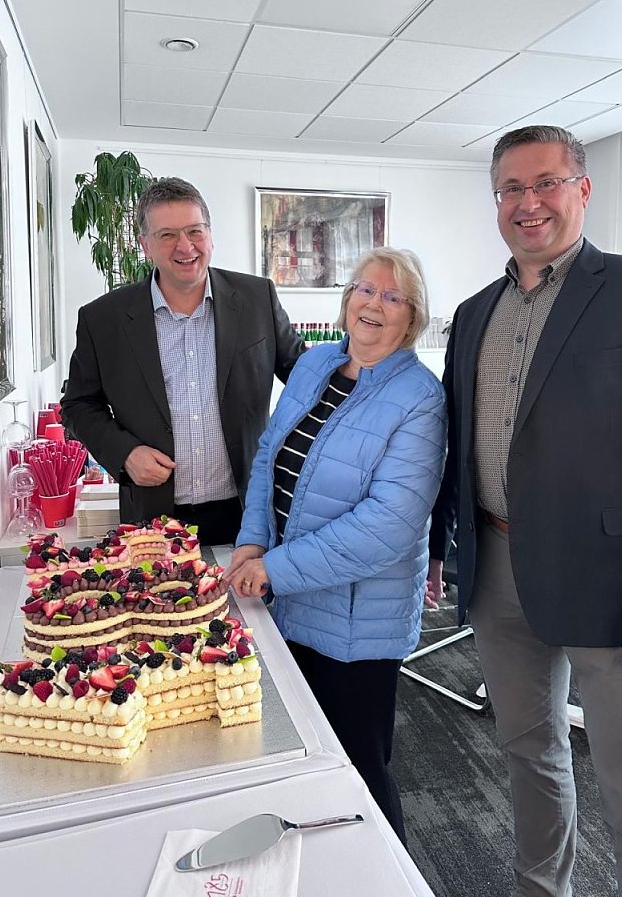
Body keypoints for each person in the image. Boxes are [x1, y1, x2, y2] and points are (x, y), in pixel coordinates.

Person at [429, 124, 622, 896]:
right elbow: (458, 442)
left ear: (582, 189)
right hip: (497, 569)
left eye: (546, 182)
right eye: (511, 188)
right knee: (529, 758)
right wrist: (440, 546)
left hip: (614, 584)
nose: (529, 202)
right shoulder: (474, 313)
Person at [223, 247, 447, 842]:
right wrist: (251, 542)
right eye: (365, 289)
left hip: (355, 626)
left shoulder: (420, 397)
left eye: (393, 296)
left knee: (359, 772)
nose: (374, 304)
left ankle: (386, 875)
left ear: (412, 317)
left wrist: (273, 567)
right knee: (295, 758)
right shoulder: (315, 362)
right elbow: (270, 455)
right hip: (285, 604)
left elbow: (386, 526)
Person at [61, 177, 305, 544]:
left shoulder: (257, 298)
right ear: (145, 245)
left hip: (247, 512)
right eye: (167, 235)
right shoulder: (103, 319)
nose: (185, 246)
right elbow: (78, 405)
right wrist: (125, 454)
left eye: (195, 231)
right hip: (153, 517)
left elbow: (305, 374)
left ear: (210, 235)